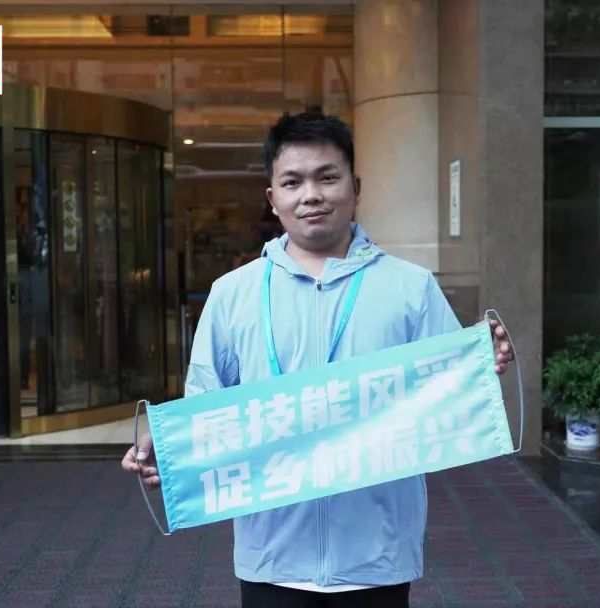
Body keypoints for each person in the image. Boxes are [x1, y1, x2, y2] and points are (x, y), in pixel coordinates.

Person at [122, 111, 513, 608]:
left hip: (378, 554)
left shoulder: (410, 288)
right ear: (273, 198)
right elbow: (206, 406)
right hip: (271, 555)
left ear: (356, 187)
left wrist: (481, 366)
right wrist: (170, 447)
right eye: (293, 182)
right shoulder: (232, 294)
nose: (311, 194)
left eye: (327, 177)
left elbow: (448, 404)